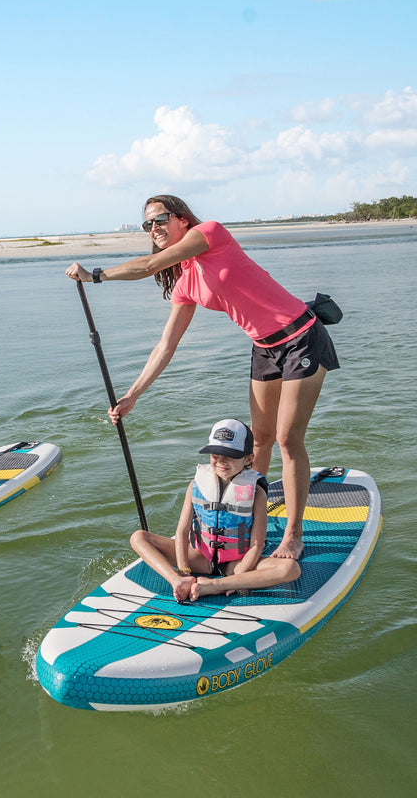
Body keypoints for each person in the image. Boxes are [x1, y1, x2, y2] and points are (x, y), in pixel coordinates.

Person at [66, 194, 339, 560]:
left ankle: (293, 534)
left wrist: (95, 275)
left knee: (288, 439)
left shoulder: (211, 234)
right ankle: (243, 525)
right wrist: (132, 395)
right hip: (263, 349)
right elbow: (165, 347)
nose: (154, 229)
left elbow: (149, 265)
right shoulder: (186, 283)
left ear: (183, 220)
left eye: (160, 219)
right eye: (148, 225)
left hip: (301, 337)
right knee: (260, 441)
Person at [129, 418, 300, 602]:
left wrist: (235, 578)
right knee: (139, 537)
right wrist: (184, 570)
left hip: (236, 564)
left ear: (248, 458)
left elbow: (256, 545)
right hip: (200, 558)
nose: (221, 461)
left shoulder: (256, 493)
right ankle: (177, 581)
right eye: (215, 455)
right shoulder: (196, 485)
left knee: (290, 568)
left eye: (229, 455)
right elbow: (182, 531)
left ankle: (218, 586)